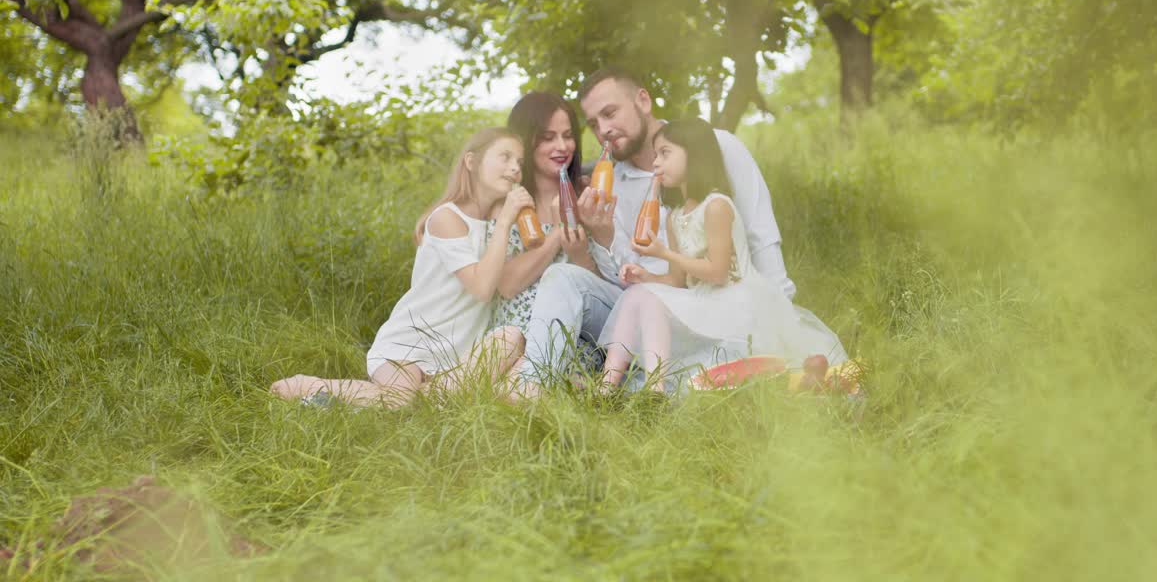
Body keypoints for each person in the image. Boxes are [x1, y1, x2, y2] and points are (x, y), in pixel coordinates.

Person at [515, 67, 806, 389]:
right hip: (648, 308)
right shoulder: (612, 184)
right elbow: (624, 281)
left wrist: (784, 315)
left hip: (718, 305)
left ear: (643, 100)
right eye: (594, 124)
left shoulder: (715, 146)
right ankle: (531, 386)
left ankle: (645, 383)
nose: (604, 130)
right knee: (564, 276)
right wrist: (605, 239)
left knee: (708, 379)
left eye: (610, 113)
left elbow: (760, 235)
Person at [269, 127, 534, 407]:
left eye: (519, 161)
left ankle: (424, 397)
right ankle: (312, 386)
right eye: (505, 156)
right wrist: (505, 221)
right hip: (410, 344)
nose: (515, 167)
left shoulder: (495, 223)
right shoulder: (447, 218)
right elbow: (481, 288)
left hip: (455, 356)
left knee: (511, 338)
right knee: (399, 401)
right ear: (471, 162)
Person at [598, 118, 846, 391]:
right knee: (637, 293)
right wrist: (646, 277)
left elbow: (717, 273)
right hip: (703, 299)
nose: (656, 163)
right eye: (656, 155)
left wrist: (665, 253)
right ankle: (613, 387)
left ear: (694, 155)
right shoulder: (675, 216)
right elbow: (679, 281)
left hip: (735, 301)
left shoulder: (717, 206)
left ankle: (652, 388)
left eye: (665, 153)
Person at [490, 92, 596, 370]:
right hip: (511, 335)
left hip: (569, 337)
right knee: (503, 366)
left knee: (518, 387)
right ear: (525, 141)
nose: (562, 146)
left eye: (568, 135)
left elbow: (599, 291)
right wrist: (558, 232)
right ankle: (405, 397)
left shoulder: (586, 196)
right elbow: (507, 284)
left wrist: (579, 251)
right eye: (548, 137)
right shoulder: (508, 203)